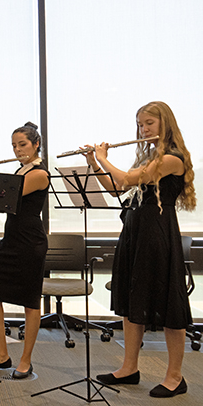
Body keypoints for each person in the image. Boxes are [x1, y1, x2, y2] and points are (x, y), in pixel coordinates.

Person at [84, 101, 196, 398]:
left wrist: (103, 157)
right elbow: (116, 188)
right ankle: (129, 368)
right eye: (140, 124)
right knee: (133, 299)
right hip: (134, 233)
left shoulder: (171, 158)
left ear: (164, 124)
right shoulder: (148, 158)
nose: (143, 129)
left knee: (168, 304)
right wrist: (95, 163)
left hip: (157, 235)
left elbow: (126, 178)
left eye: (149, 123)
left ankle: (175, 376)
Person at [0, 122, 50, 379]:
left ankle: (26, 361)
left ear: (36, 144)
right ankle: (2, 354)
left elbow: (6, 198)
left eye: (23, 145)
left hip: (30, 242)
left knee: (30, 302)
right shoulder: (21, 170)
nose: (18, 150)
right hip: (10, 240)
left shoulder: (39, 173)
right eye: (14, 146)